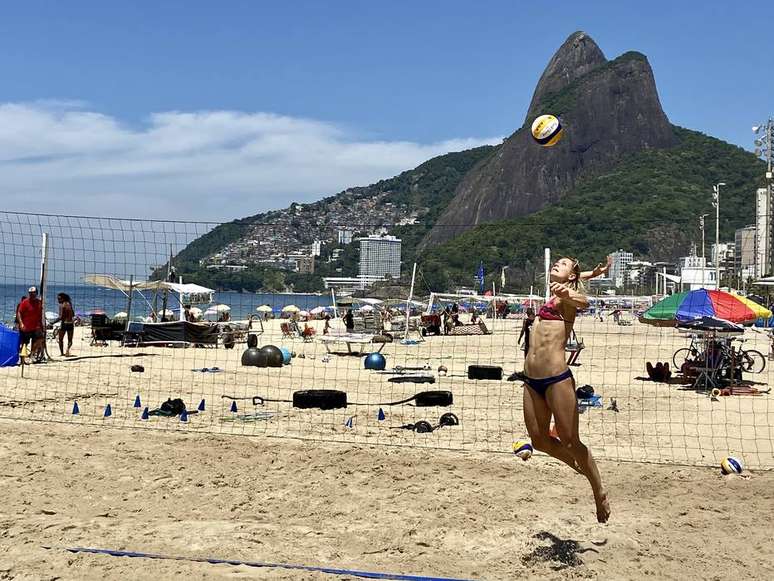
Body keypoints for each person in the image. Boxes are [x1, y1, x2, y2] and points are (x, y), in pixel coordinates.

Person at [522, 258, 610, 523]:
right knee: (538, 441)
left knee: (571, 440)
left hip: (556, 379)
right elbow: (578, 279)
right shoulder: (552, 296)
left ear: (571, 277)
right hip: (531, 379)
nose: (556, 264)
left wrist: (570, 292)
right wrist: (593, 273)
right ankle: (579, 467)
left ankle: (599, 491)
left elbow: (584, 303)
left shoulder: (568, 300)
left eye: (563, 264)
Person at [16, 286, 45, 361]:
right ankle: (22, 359)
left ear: (36, 293)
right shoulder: (25, 302)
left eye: (33, 293)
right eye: (30, 293)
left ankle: (32, 354)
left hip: (35, 327)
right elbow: (19, 313)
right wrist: (21, 324)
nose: (32, 295)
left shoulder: (39, 302)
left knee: (40, 338)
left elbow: (40, 315)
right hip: (26, 327)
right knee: (25, 343)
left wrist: (42, 325)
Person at [54, 292, 75, 357]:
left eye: (59, 299)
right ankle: (67, 351)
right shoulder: (69, 304)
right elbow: (73, 314)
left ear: (63, 299)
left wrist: (52, 322)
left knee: (60, 339)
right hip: (71, 323)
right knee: (70, 340)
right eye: (58, 298)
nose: (58, 300)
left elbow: (60, 317)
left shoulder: (62, 305)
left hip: (64, 323)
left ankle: (62, 353)